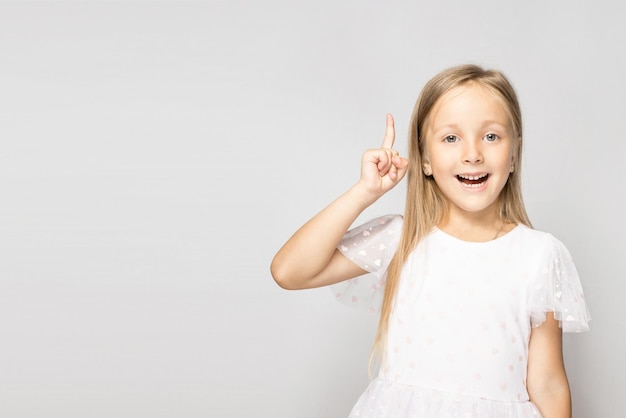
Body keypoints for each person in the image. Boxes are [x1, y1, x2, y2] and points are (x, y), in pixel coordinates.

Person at [270, 64, 590, 417]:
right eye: (451, 138)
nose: (472, 154)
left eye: (491, 136)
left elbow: (548, 383)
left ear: (514, 153)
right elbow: (289, 271)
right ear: (424, 158)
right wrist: (364, 192)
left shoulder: (539, 254)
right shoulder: (400, 239)